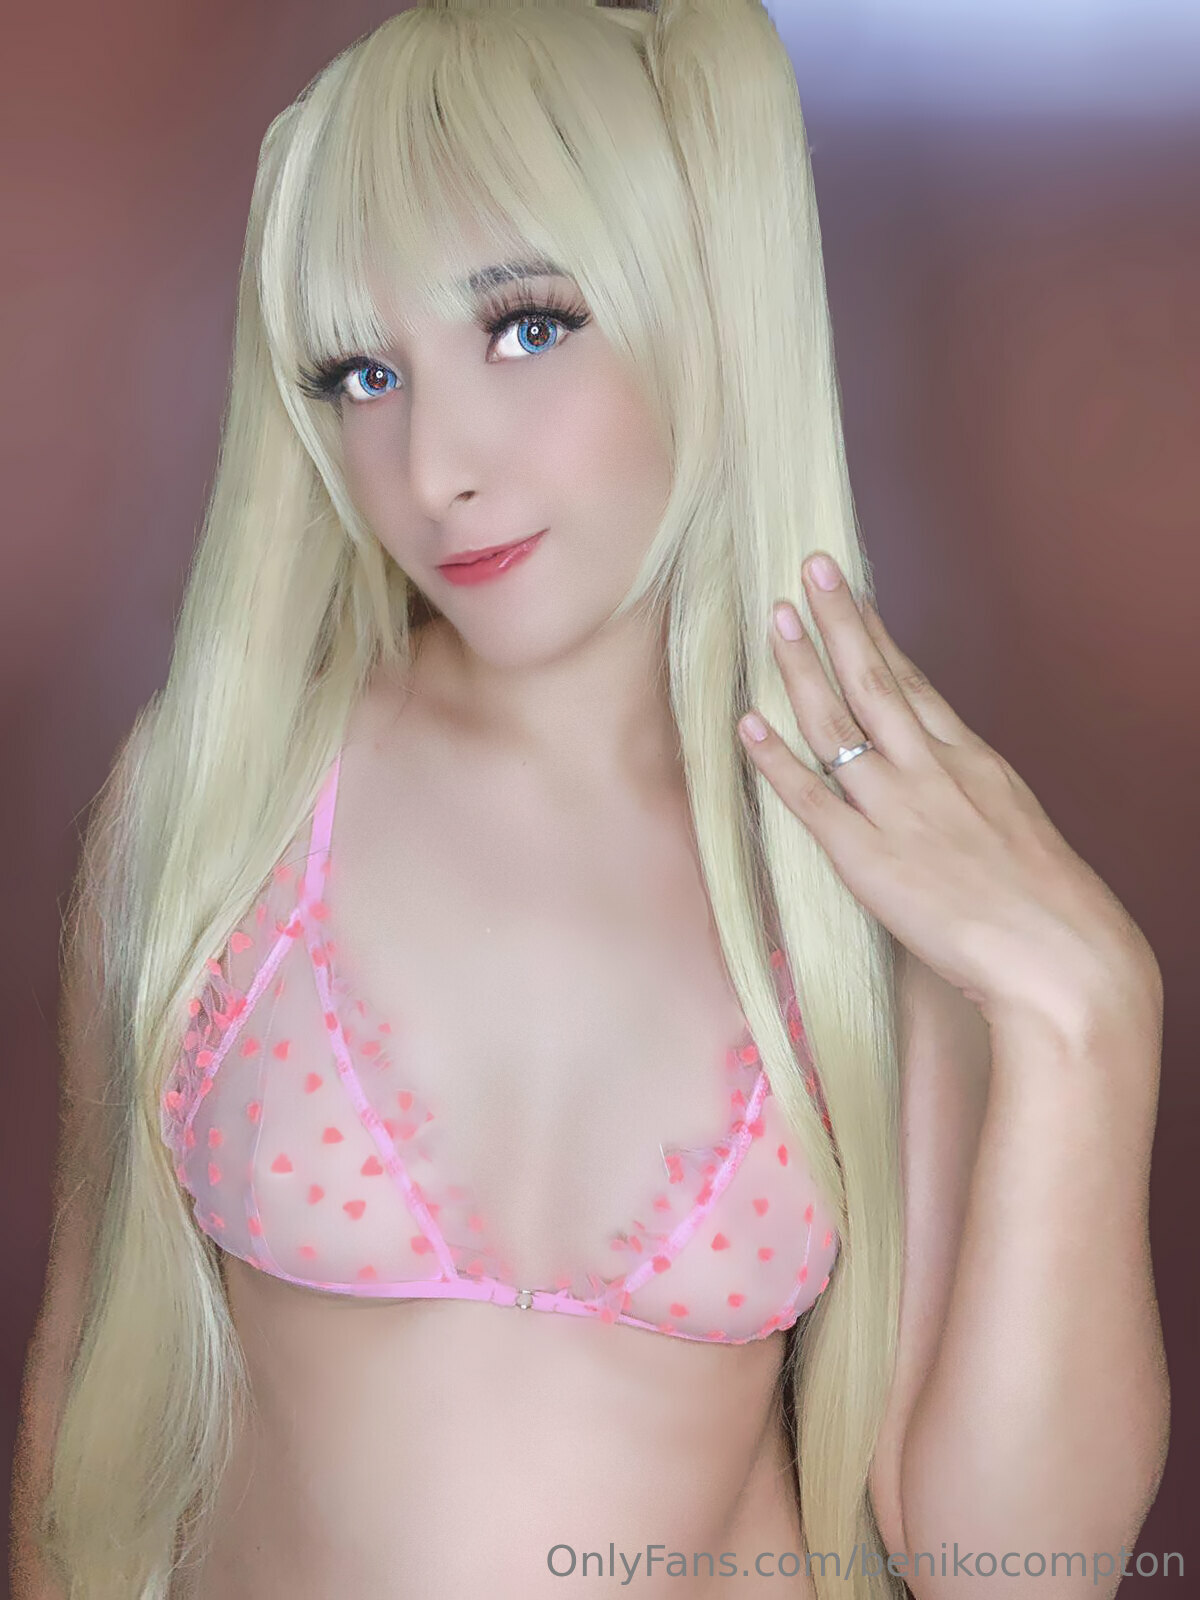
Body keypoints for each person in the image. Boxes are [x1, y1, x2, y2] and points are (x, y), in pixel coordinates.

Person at [12, 2, 1168, 1597]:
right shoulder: (225, 791)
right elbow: (80, 1403)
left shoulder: (852, 872)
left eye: (526, 327)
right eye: (363, 373)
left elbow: (1014, 1572)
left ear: (703, 302)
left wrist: (1091, 1021)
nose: (438, 465)